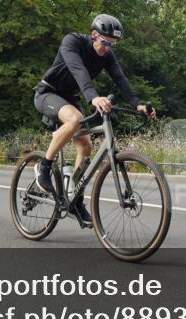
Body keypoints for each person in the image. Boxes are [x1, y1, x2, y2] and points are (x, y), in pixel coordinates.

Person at [33, 14, 154, 228]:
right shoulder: (72, 42)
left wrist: (137, 104)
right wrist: (93, 97)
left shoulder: (107, 55)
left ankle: (76, 200)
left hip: (69, 98)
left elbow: (120, 78)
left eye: (113, 45)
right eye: (106, 42)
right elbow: (78, 70)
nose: (108, 48)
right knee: (74, 120)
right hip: (47, 93)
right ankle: (44, 167)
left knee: (86, 144)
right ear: (94, 35)